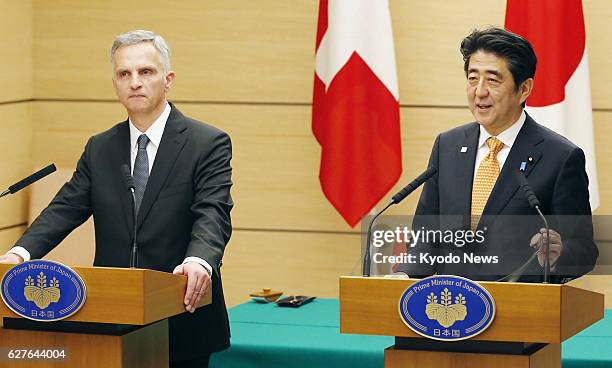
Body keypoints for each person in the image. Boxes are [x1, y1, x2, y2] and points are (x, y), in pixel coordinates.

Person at [0, 30, 232, 367]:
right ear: (115, 84)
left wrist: (199, 260)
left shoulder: (206, 143)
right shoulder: (100, 147)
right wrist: (18, 255)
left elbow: (213, 212)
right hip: (111, 317)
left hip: (181, 312)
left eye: (146, 72)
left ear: (168, 80)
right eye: (125, 74)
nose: (134, 82)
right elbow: (65, 208)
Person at [397, 27, 598, 282]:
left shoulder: (560, 157)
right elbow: (426, 236)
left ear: (524, 89)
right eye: (472, 78)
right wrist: (405, 275)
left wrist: (559, 253)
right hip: (451, 308)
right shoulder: (447, 145)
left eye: (492, 80)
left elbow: (584, 251)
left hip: (520, 311)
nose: (479, 91)